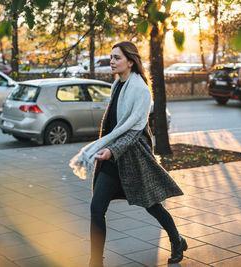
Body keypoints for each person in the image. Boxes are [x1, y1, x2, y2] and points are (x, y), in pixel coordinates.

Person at [70, 41, 187, 267]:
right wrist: (103, 148)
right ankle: (96, 261)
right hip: (112, 161)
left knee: (153, 205)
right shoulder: (117, 85)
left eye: (117, 58)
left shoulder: (141, 90)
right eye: (111, 57)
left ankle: (176, 240)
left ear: (131, 62)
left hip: (133, 160)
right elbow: (113, 125)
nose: (112, 62)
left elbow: (133, 133)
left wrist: (110, 151)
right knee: (97, 208)